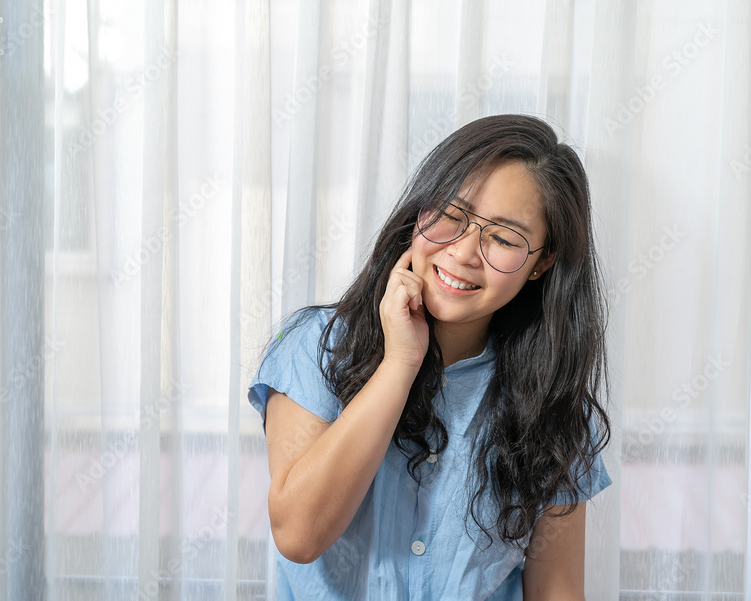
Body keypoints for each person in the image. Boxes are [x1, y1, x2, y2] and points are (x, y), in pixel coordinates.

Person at [247, 114, 612, 600]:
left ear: (542, 263)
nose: (463, 253)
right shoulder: (316, 346)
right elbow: (299, 534)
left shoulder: (556, 408)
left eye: (503, 239)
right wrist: (400, 363)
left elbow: (557, 592)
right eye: (451, 216)